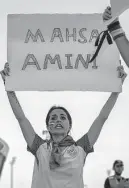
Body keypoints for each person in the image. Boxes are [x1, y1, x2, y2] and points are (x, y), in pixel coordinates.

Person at [0, 63, 127, 188]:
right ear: (48, 127)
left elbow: (101, 119)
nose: (58, 120)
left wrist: (115, 92)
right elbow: (21, 119)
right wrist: (10, 90)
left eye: (62, 117)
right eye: (53, 118)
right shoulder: (40, 147)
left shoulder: (81, 147)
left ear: (69, 125)